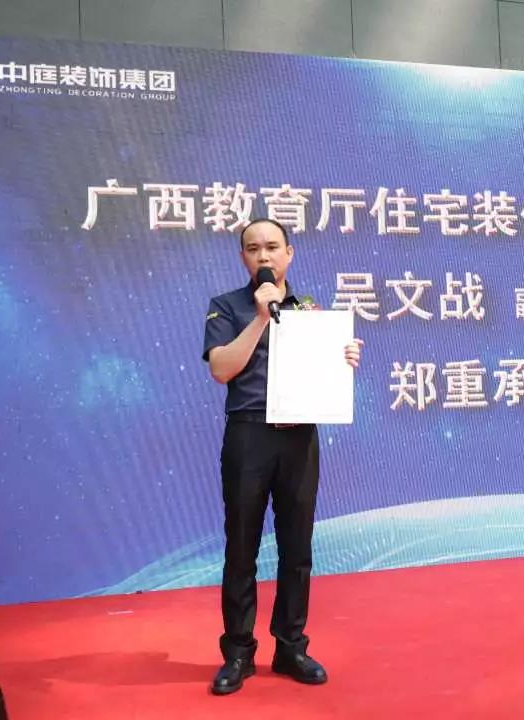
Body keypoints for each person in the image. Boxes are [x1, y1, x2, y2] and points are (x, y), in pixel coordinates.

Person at [201, 217, 362, 695]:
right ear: (243, 258)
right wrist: (259, 316)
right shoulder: (226, 306)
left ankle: (291, 646)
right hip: (249, 435)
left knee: (297, 548)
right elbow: (221, 369)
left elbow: (322, 373)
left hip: (298, 438)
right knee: (242, 547)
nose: (264, 256)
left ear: (289, 254)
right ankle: (238, 653)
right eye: (253, 249)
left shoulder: (310, 310)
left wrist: (342, 358)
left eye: (272, 247)